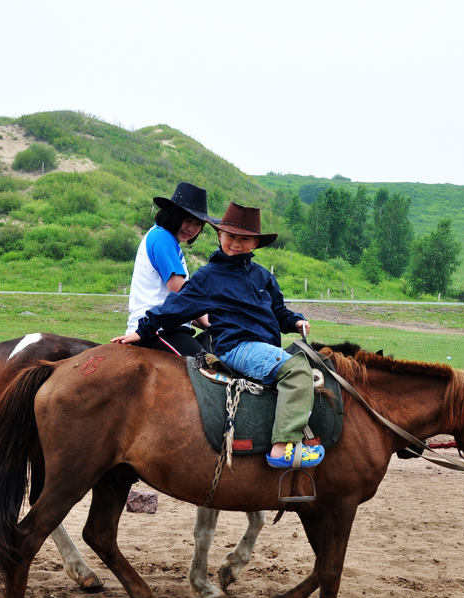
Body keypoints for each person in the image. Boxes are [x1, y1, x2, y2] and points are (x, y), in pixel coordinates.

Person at [112, 202, 324, 469]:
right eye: (231, 236)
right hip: (238, 346)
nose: (236, 243)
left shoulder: (263, 277)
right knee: (297, 369)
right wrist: (142, 331)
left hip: (263, 346)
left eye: (244, 239)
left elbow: (279, 311)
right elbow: (176, 306)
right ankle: (284, 446)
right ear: (219, 236)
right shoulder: (209, 276)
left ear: (255, 244)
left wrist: (295, 320)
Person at [114, 181, 215, 357]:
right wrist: (211, 319)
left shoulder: (165, 239)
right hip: (159, 330)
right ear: (173, 215)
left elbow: (184, 302)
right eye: (187, 220)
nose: (191, 228)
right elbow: (180, 291)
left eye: (198, 224)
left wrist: (209, 322)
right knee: (208, 366)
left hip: (168, 326)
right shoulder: (162, 238)